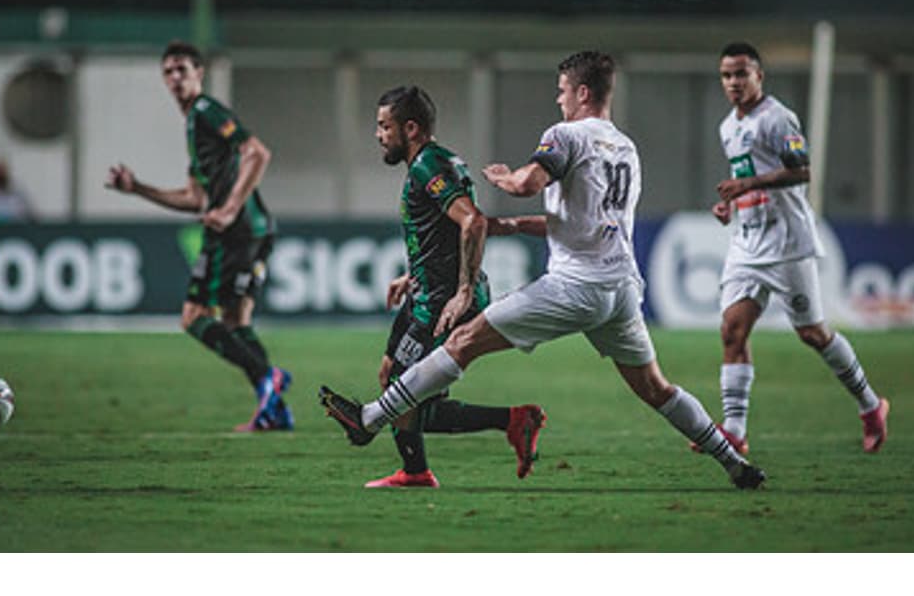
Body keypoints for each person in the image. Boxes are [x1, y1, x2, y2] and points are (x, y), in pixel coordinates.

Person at [320, 51, 767, 490]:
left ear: (582, 92)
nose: (559, 101)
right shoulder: (626, 148)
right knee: (656, 388)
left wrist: (506, 179)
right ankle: (734, 463)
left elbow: (528, 184)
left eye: (562, 91)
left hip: (576, 287)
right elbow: (582, 222)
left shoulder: (565, 135)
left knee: (461, 342)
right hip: (622, 289)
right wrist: (510, 227)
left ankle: (370, 417)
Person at [321, 86, 546, 488]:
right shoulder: (434, 162)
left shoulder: (428, 166)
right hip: (424, 291)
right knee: (392, 374)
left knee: (404, 397)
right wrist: (413, 275)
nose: (378, 135)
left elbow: (473, 222)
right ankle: (416, 469)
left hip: (443, 301)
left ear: (410, 128)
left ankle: (511, 421)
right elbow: (444, 229)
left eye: (384, 126)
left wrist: (462, 291)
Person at [703, 41, 889, 454]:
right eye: (726, 75)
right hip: (748, 243)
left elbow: (801, 170)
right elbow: (746, 175)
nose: (733, 82)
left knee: (812, 333)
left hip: (787, 243)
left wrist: (748, 185)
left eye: (741, 73)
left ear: (758, 76)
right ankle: (735, 430)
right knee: (732, 331)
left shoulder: (778, 118)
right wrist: (731, 203)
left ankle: (871, 406)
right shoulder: (726, 126)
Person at [105, 40, 292, 432]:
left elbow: (257, 152)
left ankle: (266, 376)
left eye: (182, 70)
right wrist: (137, 187)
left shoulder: (206, 111)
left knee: (193, 318)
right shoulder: (195, 129)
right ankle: (273, 411)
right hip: (256, 230)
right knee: (237, 320)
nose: (175, 78)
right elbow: (194, 198)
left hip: (234, 233)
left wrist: (227, 209)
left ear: (199, 74)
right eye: (168, 72)